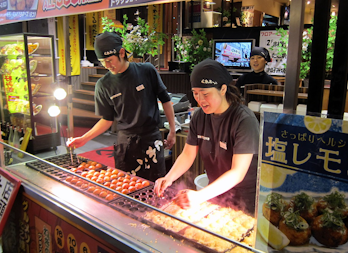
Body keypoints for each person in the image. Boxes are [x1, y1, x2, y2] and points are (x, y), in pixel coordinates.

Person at [154, 59, 260, 214]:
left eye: (205, 94)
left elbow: (238, 172)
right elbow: (188, 154)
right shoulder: (200, 116)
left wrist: (200, 196)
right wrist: (169, 177)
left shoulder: (244, 120)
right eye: (196, 93)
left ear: (223, 89)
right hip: (215, 193)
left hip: (244, 199)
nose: (200, 100)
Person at [67, 31, 176, 182]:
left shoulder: (146, 71)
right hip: (126, 143)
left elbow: (165, 100)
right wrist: (84, 139)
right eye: (102, 61)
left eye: (110, 60)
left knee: (156, 185)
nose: (107, 65)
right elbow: (107, 119)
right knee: (126, 187)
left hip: (151, 139)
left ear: (122, 53)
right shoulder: (103, 85)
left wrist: (172, 130)